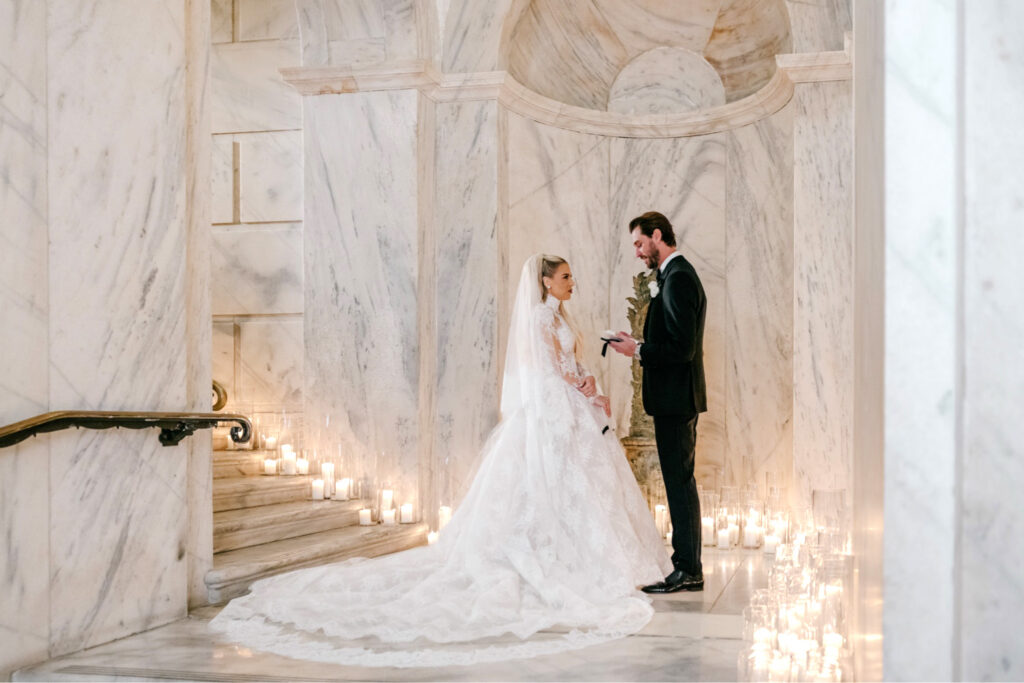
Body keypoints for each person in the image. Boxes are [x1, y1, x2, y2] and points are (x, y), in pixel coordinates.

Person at [209, 253, 671, 667]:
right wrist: (586, 385)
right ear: (547, 282)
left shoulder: (559, 314)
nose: (573, 282)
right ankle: (554, 558)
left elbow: (568, 363)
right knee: (550, 482)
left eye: (572, 275)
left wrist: (588, 385)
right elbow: (551, 366)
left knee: (577, 484)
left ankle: (583, 553)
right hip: (555, 404)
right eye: (566, 276)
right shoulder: (538, 315)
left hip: (568, 403)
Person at [608, 211, 707, 593]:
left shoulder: (679, 278)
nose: (636, 252)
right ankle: (687, 566)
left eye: (638, 243)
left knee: (679, 483)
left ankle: (688, 568)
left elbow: (682, 349)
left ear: (656, 235)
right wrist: (637, 346)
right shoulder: (671, 276)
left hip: (676, 399)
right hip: (675, 398)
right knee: (679, 481)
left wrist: (638, 350)